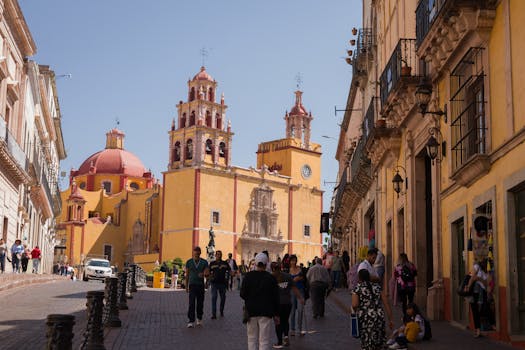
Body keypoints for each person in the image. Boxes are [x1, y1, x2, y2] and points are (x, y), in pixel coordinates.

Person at [240, 252, 279, 350]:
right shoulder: (271, 278)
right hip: (266, 312)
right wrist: (276, 314)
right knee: (264, 340)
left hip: (251, 311)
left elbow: (242, 294)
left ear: (255, 263)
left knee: (251, 338)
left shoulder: (248, 276)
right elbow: (275, 297)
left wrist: (250, 299)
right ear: (266, 264)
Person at [352, 269, 394, 350]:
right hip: (379, 317)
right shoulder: (377, 287)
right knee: (379, 342)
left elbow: (354, 304)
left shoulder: (358, 288)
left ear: (359, 278)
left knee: (367, 342)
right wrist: (390, 319)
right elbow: (386, 304)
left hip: (366, 319)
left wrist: (355, 310)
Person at [271, 261, 304, 348]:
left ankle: (279, 342)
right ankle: (286, 337)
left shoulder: (271, 278)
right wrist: (300, 298)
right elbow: (294, 288)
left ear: (272, 269)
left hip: (277, 304)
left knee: (278, 322)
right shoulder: (288, 276)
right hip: (287, 303)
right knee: (285, 321)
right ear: (280, 267)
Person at [185, 246, 209, 328]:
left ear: (200, 253)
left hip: (200, 285)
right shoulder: (189, 262)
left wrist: (204, 274)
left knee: (200, 303)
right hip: (192, 285)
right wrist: (186, 285)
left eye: (198, 253)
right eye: (195, 253)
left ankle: (199, 318)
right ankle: (191, 320)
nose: (196, 254)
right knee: (191, 303)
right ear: (193, 253)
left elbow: (207, 272)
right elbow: (187, 274)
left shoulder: (204, 262)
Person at [466, 260, 489, 337]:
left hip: (479, 292)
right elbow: (473, 278)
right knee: (477, 311)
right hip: (478, 292)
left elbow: (474, 278)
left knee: (477, 311)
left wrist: (478, 279)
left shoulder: (482, 269)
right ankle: (478, 330)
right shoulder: (480, 268)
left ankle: (479, 330)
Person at [209, 250, 231, 319]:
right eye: (217, 254)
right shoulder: (212, 263)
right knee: (214, 298)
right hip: (214, 283)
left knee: (223, 298)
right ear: (215, 255)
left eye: (220, 254)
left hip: (222, 284)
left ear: (221, 255)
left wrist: (231, 273)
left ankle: (221, 311)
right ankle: (214, 314)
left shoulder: (225, 263)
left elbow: (229, 270)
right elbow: (208, 271)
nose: (219, 255)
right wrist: (210, 277)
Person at [288, 255, 307, 337]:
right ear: (290, 261)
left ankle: (299, 329)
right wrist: (293, 280)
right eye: (292, 261)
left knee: (300, 310)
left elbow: (304, 279)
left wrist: (299, 278)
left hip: (301, 291)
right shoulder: (288, 270)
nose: (294, 262)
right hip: (292, 292)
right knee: (292, 312)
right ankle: (292, 329)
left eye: (295, 260)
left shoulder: (300, 269)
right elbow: (286, 282)